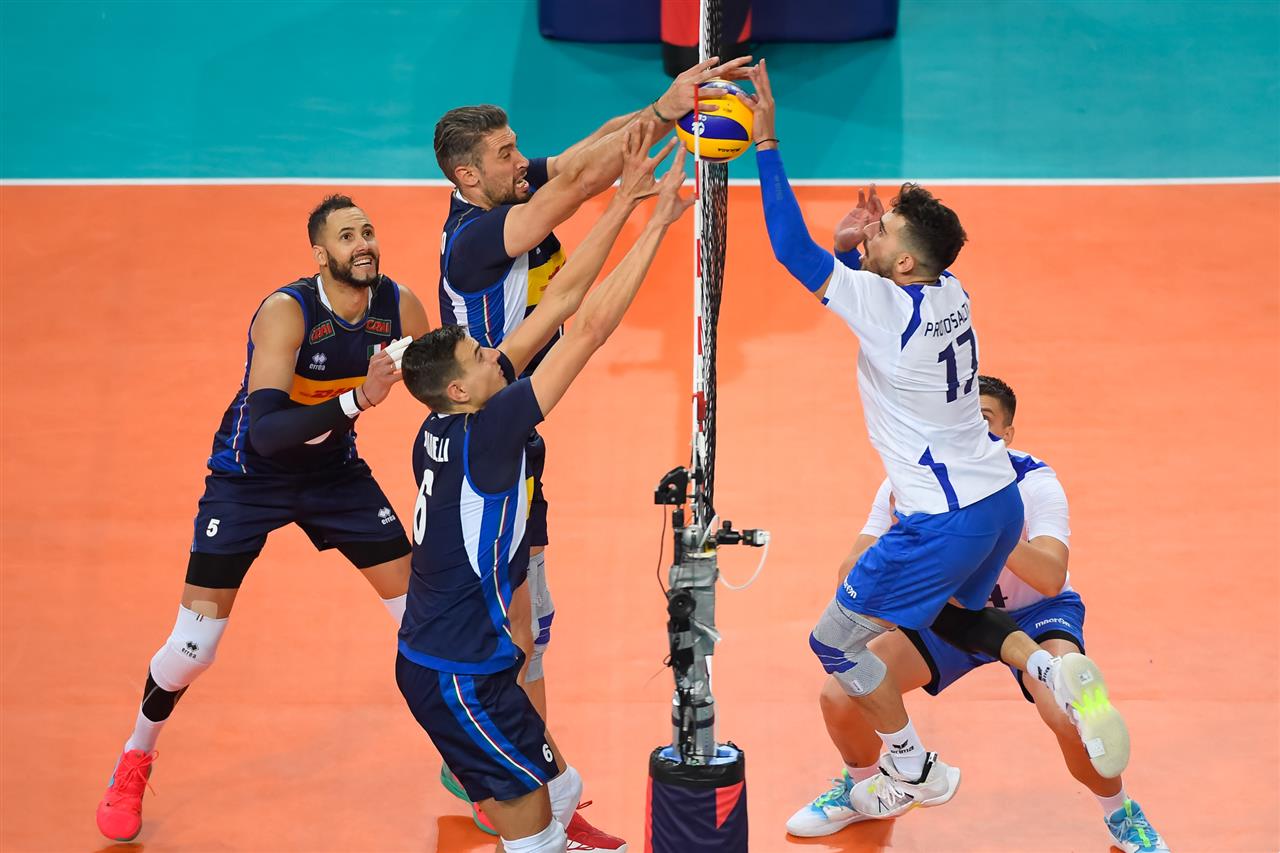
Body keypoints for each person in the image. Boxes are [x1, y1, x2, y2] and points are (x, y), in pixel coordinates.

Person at [738, 60, 1128, 819]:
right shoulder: (951, 291)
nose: (872, 230)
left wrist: (768, 142)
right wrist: (858, 250)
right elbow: (872, 285)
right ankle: (1048, 671)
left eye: (882, 232)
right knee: (949, 614)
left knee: (835, 642)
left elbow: (789, 250)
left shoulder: (888, 309)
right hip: (999, 506)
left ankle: (913, 765)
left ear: (906, 263)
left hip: (944, 519)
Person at [431, 54, 750, 840]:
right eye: (506, 154)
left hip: (517, 434)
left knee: (532, 630)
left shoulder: (505, 192)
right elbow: (578, 208)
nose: (523, 161)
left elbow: (587, 155)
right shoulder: (476, 240)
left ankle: (527, 780)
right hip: (497, 428)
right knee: (509, 632)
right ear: (468, 176)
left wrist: (656, 120)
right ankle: (508, 781)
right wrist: (667, 118)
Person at [94, 195, 431, 842]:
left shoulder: (398, 307)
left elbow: (439, 380)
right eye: (346, 236)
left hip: (335, 476)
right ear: (320, 254)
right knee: (193, 648)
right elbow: (268, 434)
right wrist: (360, 399)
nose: (363, 243)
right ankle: (136, 754)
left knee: (426, 621)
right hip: (248, 479)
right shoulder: (287, 311)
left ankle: (470, 767)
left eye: (367, 231)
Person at [397, 133, 692, 853]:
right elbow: (586, 329)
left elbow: (559, 299)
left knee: (558, 789)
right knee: (533, 829)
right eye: (480, 354)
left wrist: (624, 204)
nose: (495, 352)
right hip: (458, 675)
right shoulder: (493, 431)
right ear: (461, 389)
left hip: (469, 658)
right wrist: (655, 224)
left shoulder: (442, 425)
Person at [786, 375, 1169, 852]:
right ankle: (867, 790)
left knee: (1067, 715)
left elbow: (1050, 576)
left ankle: (1122, 814)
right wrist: (905, 536)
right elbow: (849, 572)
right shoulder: (911, 482)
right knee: (840, 695)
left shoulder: (1034, 482)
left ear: (1007, 433)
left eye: (985, 419)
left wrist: (979, 529)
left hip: (1034, 612)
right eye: (964, 416)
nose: (971, 427)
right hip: (948, 615)